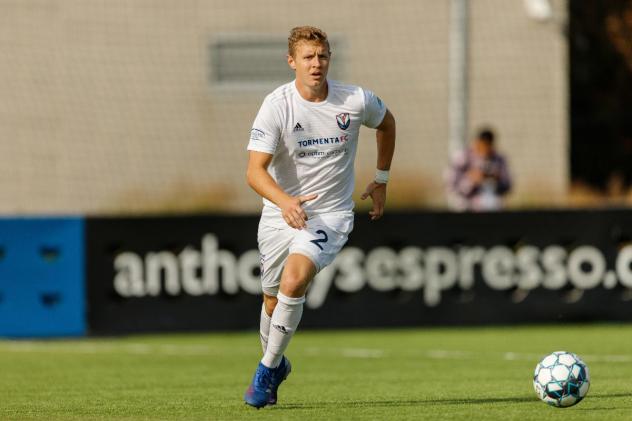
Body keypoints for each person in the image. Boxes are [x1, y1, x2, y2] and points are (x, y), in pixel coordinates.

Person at [243, 26, 396, 408]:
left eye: (323, 56)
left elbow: (387, 123)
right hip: (281, 215)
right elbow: (254, 171)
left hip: (330, 215)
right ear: (291, 61)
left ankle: (265, 370)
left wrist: (381, 179)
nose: (317, 64)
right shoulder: (277, 105)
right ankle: (276, 364)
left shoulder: (355, 99)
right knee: (271, 300)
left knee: (294, 281)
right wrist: (285, 202)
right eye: (308, 57)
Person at [446, 127, 512, 211]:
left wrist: (496, 179)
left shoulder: (498, 159)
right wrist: (471, 180)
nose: (485, 150)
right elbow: (451, 187)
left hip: (492, 205)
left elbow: (508, 185)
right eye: (482, 146)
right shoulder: (463, 158)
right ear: (477, 143)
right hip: (467, 206)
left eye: (488, 146)